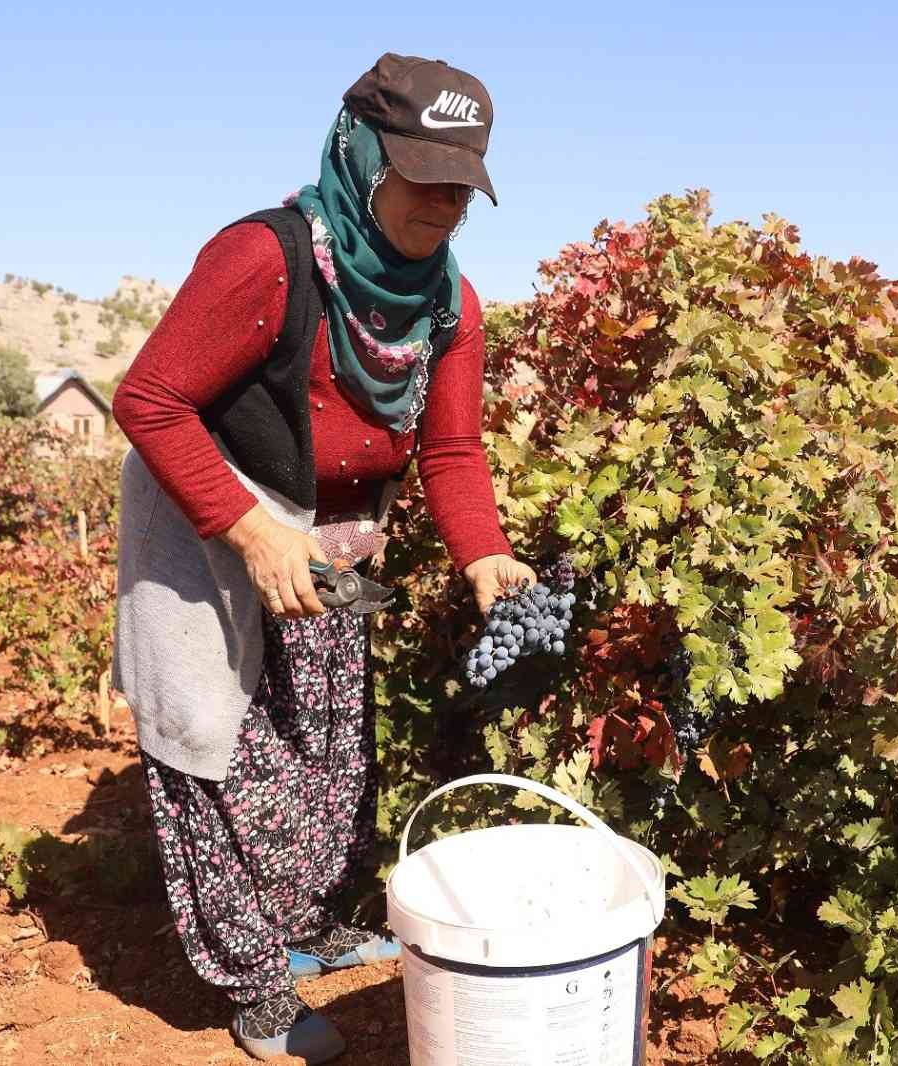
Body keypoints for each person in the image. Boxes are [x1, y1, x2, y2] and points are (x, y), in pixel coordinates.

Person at [111, 53, 535, 1063]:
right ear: (360, 151)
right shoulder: (266, 259)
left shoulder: (448, 303)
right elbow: (149, 402)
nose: (441, 201)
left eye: (459, 182)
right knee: (221, 755)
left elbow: (452, 448)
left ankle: (300, 922)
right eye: (421, 172)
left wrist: (485, 554)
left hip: (335, 531)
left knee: (324, 752)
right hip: (207, 522)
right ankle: (253, 986)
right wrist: (249, 529)